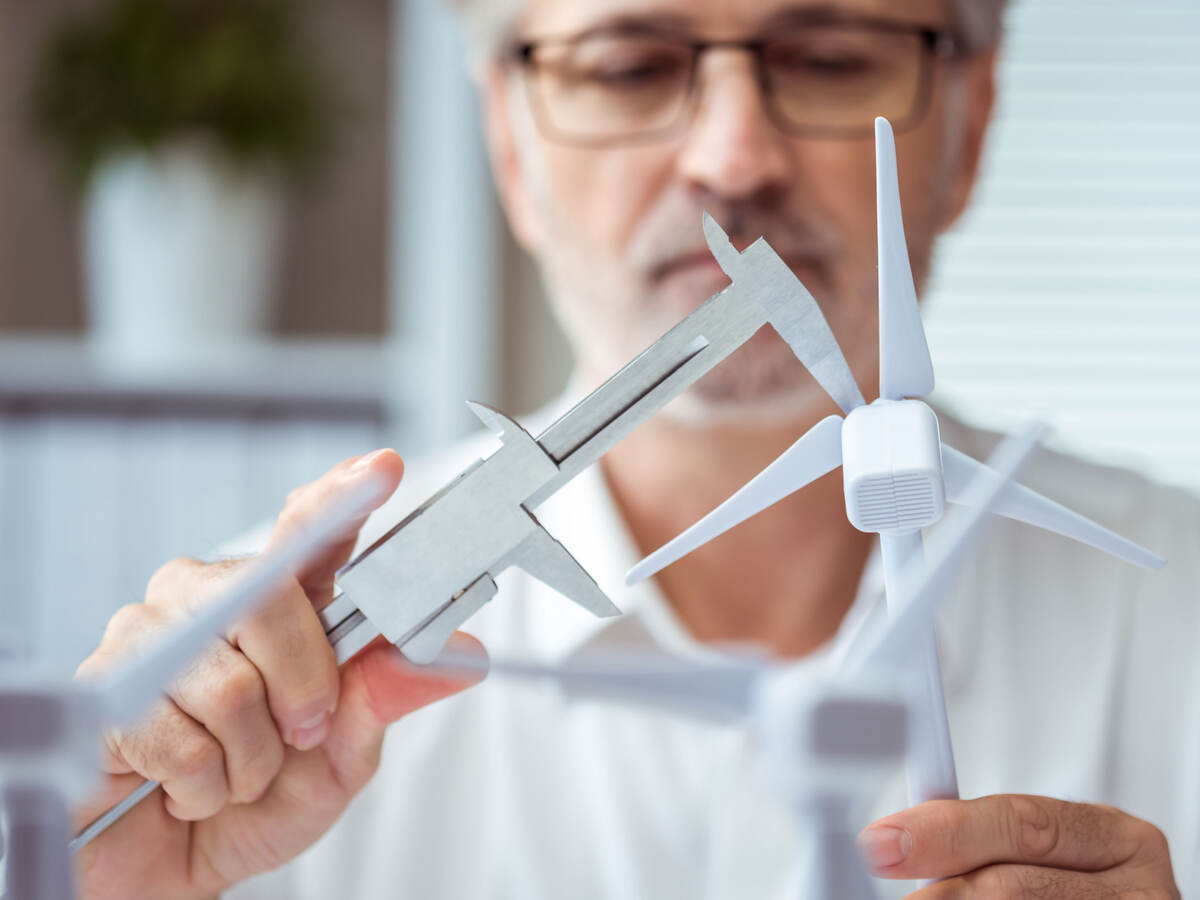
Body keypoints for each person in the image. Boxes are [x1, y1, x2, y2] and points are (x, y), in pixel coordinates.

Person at [74, 0, 1196, 897]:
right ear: (508, 144)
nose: (733, 156)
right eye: (627, 66)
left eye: (830, 56)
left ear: (971, 126)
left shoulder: (1174, 623)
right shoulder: (240, 734)